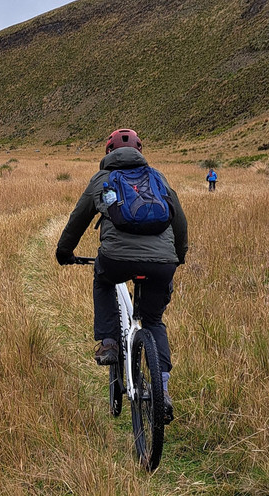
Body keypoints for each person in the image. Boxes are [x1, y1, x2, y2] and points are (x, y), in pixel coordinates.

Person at [55, 128, 188, 423]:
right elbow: (179, 220)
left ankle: (109, 343)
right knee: (153, 321)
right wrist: (179, 256)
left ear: (108, 153)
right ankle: (162, 391)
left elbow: (78, 219)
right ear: (140, 151)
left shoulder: (102, 179)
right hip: (162, 263)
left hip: (116, 260)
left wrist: (64, 252)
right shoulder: (157, 178)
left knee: (103, 280)